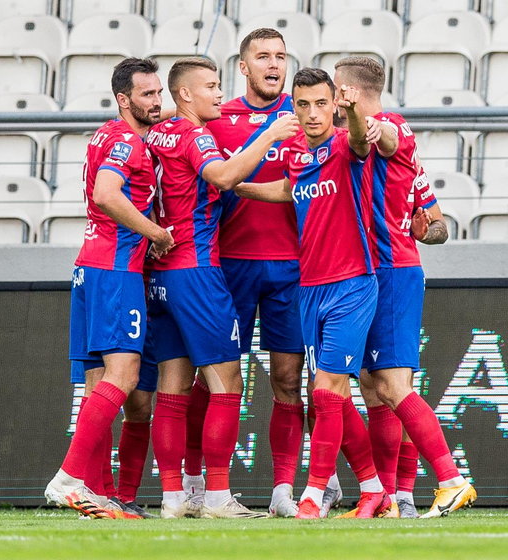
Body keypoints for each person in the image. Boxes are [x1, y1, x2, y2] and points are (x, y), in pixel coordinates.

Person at [145, 57, 300, 519]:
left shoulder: (156, 134)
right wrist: (269, 135)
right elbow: (224, 177)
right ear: (185, 95)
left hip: (160, 273)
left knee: (173, 388)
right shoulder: (196, 135)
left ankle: (175, 498)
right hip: (197, 269)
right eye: (211, 87)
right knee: (227, 383)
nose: (220, 94)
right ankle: (216, 496)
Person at [235, 68, 389, 519]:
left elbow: (363, 140)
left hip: (352, 284)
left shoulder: (346, 144)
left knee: (324, 393)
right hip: (310, 289)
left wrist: (355, 111)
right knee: (334, 396)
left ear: (334, 104)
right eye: (302, 105)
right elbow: (290, 189)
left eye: (321, 104)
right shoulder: (295, 151)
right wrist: (238, 185)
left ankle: (311, 495)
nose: (311, 113)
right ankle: (374, 487)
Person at [333, 55, 476, 519]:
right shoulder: (347, 145)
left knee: (394, 386)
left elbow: (439, 225)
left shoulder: (393, 130)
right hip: (364, 272)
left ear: (349, 91)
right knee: (375, 389)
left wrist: (423, 229)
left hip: (392, 271)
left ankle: (449, 480)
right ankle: (390, 497)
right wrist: (422, 227)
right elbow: (435, 224)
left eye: (337, 90)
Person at [44, 57, 174, 519]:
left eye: (159, 92)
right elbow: (106, 193)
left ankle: (95, 491)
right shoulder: (125, 141)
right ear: (125, 99)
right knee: (126, 376)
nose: (157, 101)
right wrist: (156, 233)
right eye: (147, 94)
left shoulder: (105, 133)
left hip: (88, 267)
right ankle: (69, 477)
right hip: (115, 271)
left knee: (99, 383)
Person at [187, 27, 306, 518]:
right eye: (263, 56)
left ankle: (283, 490)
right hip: (227, 267)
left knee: (287, 378)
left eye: (281, 56)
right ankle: (198, 484)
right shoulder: (217, 118)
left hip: (292, 268)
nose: (274, 65)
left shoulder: (305, 117)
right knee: (210, 379)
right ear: (244, 66)